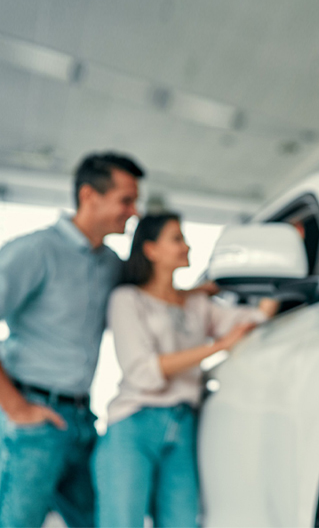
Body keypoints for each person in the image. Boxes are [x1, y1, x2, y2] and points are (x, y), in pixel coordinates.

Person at [93, 213, 279, 527]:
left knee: (182, 521)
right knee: (121, 522)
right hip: (134, 424)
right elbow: (142, 371)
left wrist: (278, 266)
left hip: (183, 424)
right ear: (150, 250)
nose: (186, 246)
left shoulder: (197, 305)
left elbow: (253, 320)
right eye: (176, 239)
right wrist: (217, 347)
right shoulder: (127, 299)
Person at [0, 153, 144, 527]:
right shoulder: (35, 251)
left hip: (81, 420)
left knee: (100, 520)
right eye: (125, 200)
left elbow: (151, 305)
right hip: (32, 417)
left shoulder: (111, 263)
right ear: (89, 195)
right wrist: (17, 408)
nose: (134, 211)